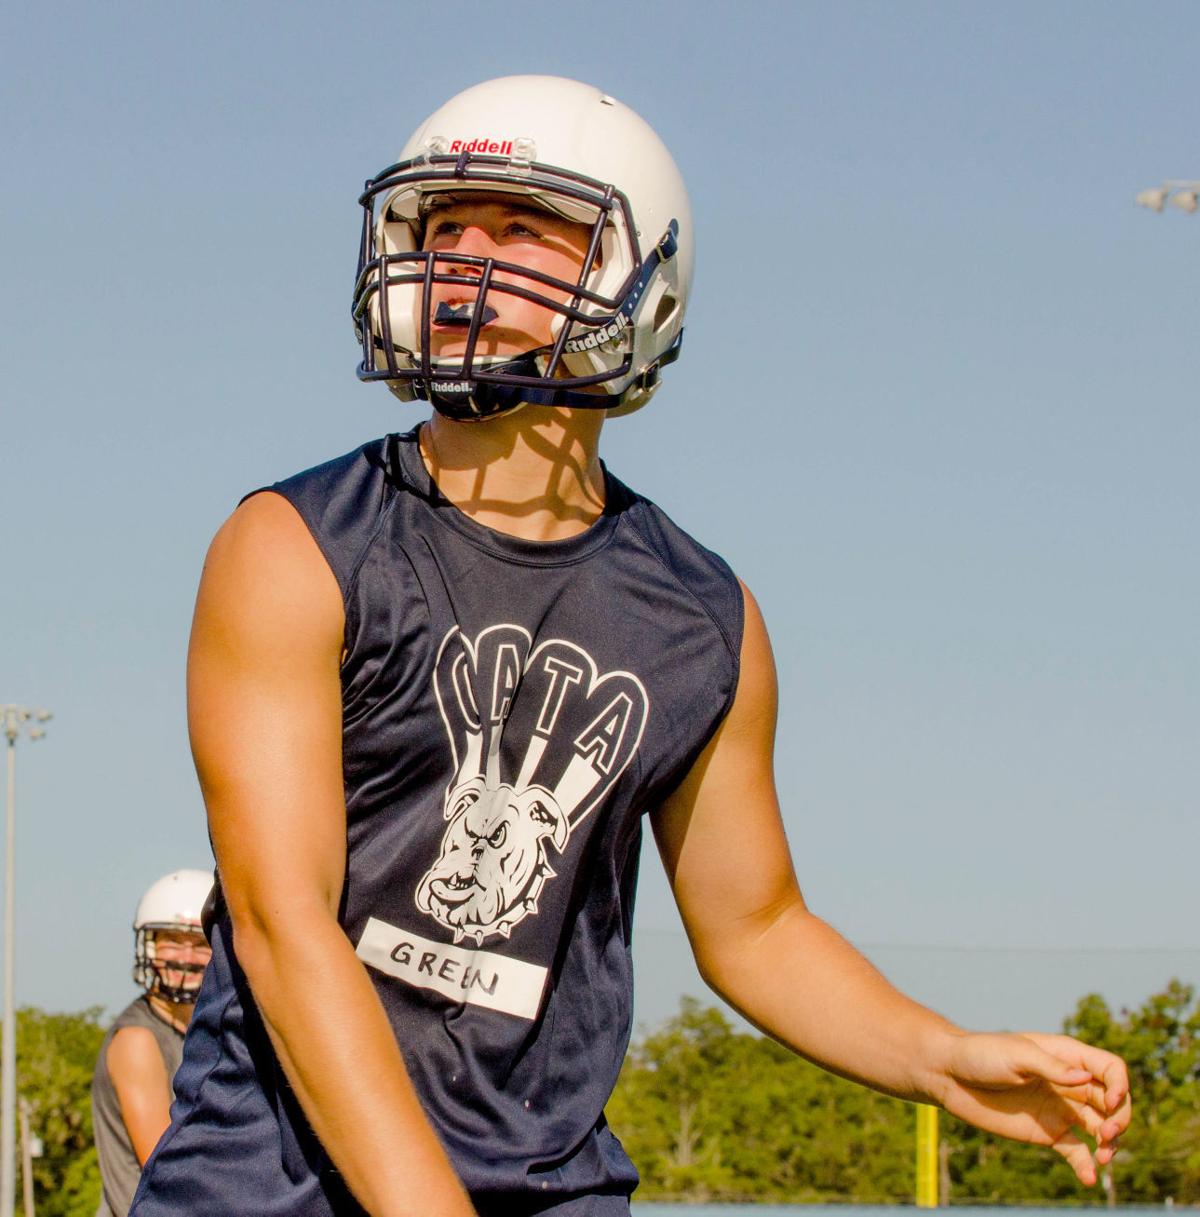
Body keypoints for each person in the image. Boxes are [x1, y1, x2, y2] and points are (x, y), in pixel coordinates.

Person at [130, 76, 1130, 1217]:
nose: (463, 255)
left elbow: (757, 926)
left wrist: (943, 1057)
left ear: (637, 276)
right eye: (441, 225)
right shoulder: (296, 544)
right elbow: (279, 918)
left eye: (518, 226)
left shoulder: (705, 613)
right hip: (265, 1186)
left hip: (544, 1184)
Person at [92, 869, 213, 1216]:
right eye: (173, 941)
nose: (185, 957)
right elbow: (167, 1166)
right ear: (150, 946)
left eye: (200, 944)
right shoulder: (138, 1039)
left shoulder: (204, 1031)